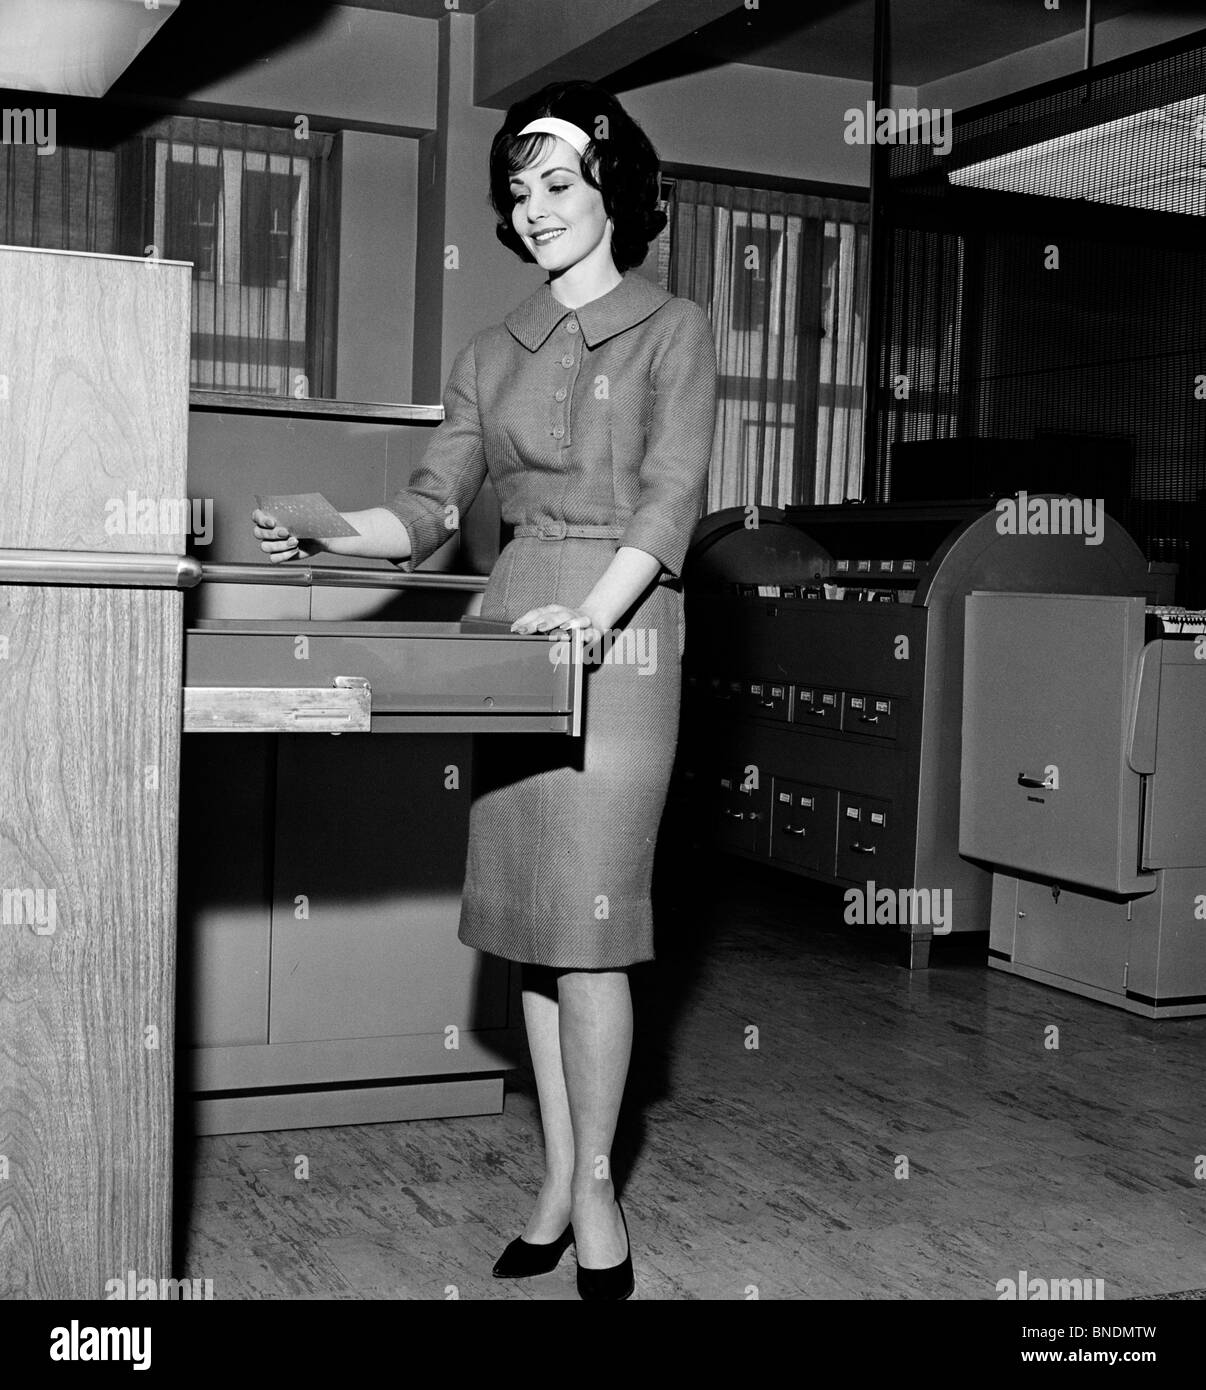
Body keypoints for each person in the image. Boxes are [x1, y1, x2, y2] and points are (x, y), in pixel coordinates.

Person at [252, 79, 717, 1300]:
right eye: (520, 189)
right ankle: (557, 1181)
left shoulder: (678, 328)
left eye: (560, 181)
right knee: (531, 935)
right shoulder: (488, 350)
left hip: (624, 636)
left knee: (596, 936)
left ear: (614, 187)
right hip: (512, 628)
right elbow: (426, 511)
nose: (538, 205)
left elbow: (672, 500)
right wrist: (329, 531)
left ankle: (603, 1187)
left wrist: (596, 615)